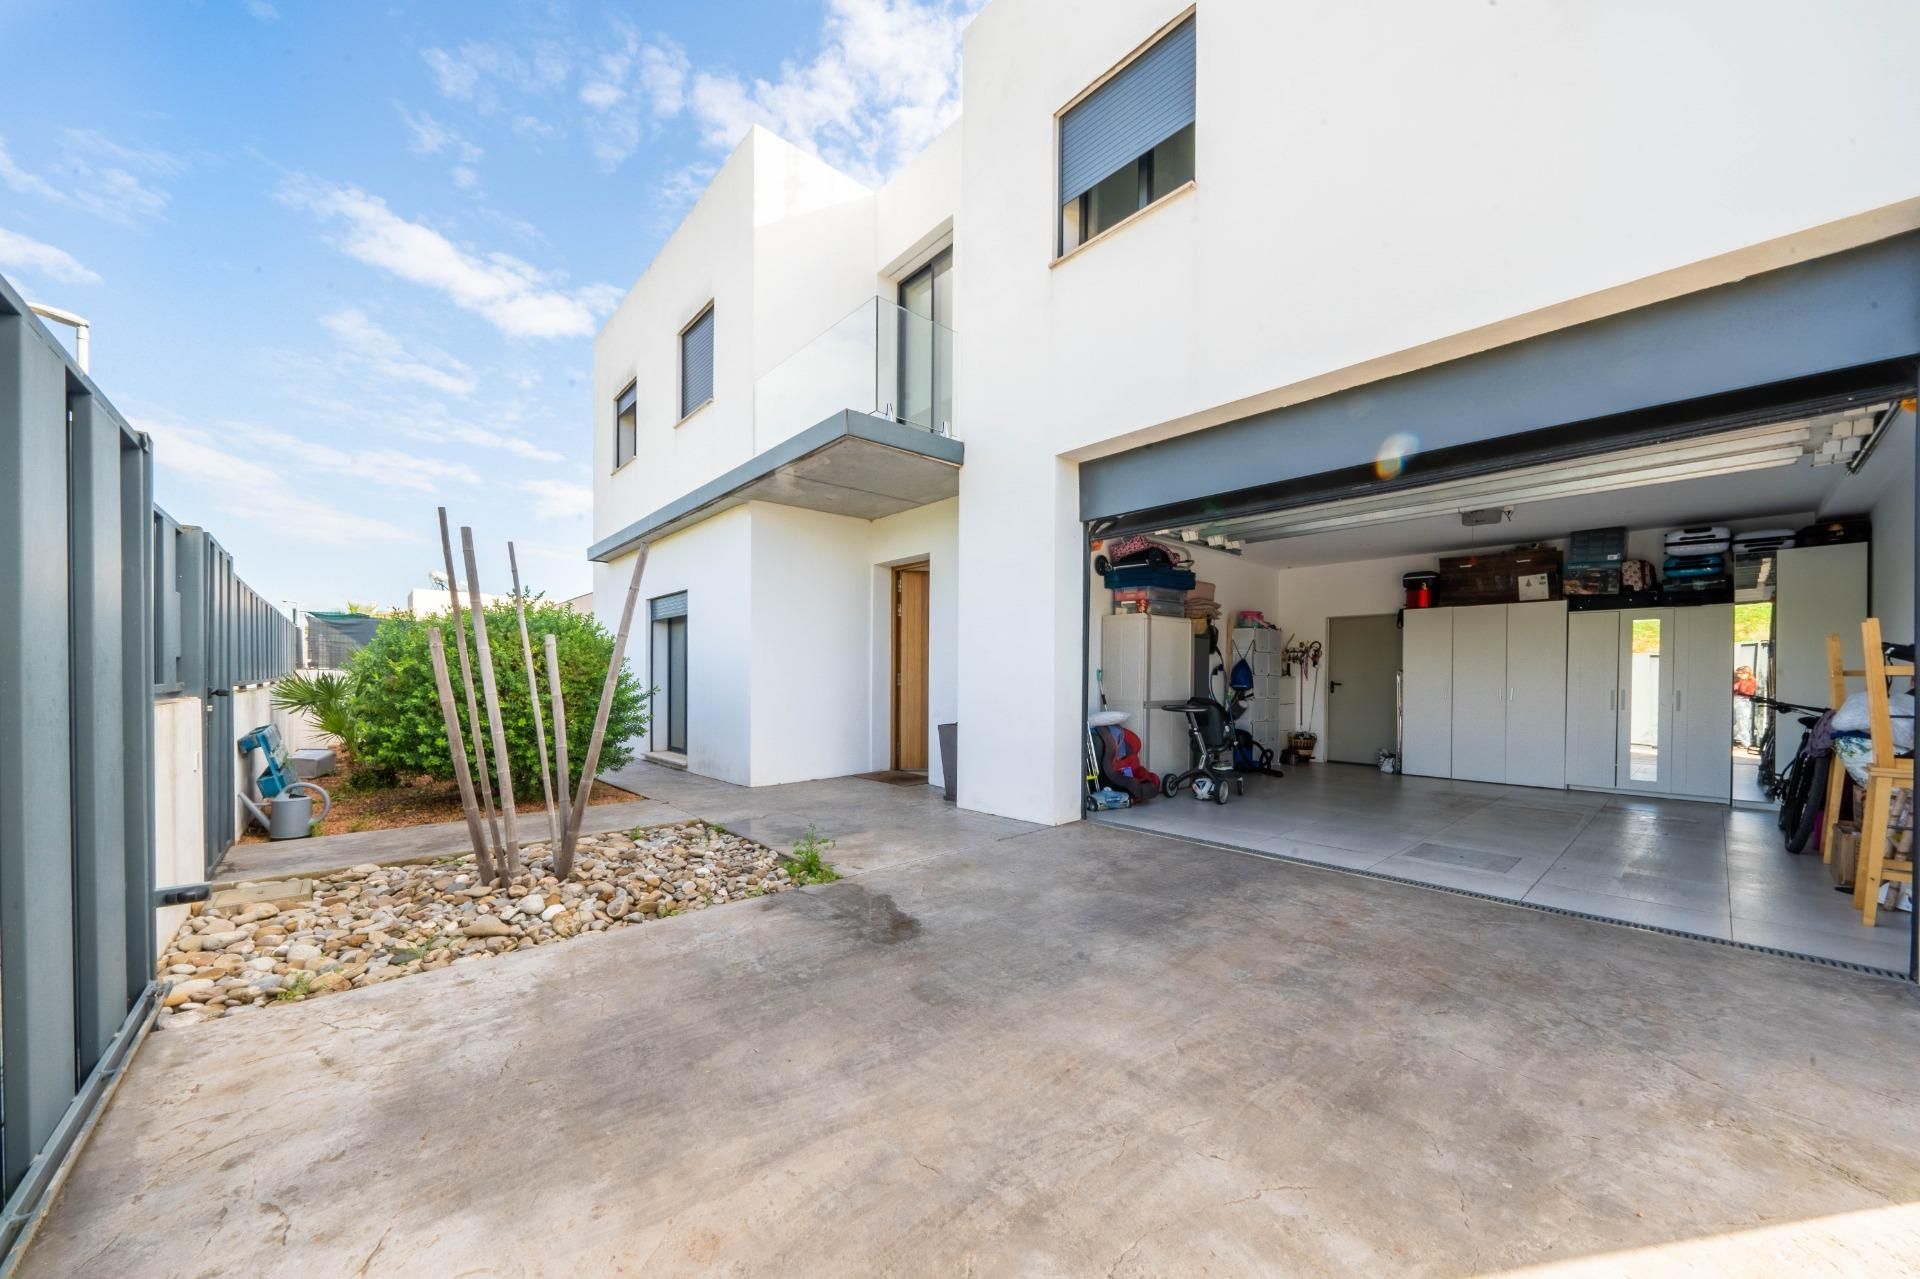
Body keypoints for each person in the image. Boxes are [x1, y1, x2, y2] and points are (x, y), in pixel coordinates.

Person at [1732, 664, 1758, 750]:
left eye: (1740, 673)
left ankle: (1746, 742)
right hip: (1736, 700)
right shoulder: (1737, 680)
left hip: (1743, 701)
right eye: (1738, 673)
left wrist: (1739, 684)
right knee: (1736, 721)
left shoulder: (1751, 681)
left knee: (1742, 720)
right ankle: (1737, 738)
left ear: (1746, 673)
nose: (1739, 675)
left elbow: (1747, 692)